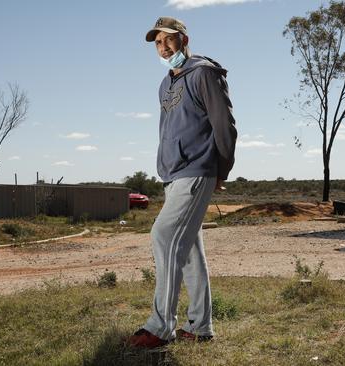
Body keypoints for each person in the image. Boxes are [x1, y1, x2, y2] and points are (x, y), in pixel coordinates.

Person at [127, 16, 237, 348]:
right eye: (158, 43)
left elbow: (225, 125)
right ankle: (201, 327)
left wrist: (221, 170)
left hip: (198, 169)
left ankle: (161, 326)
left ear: (184, 40)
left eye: (169, 40)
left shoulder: (204, 73)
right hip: (174, 173)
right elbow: (167, 131)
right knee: (188, 251)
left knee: (162, 234)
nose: (163, 48)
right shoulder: (165, 84)